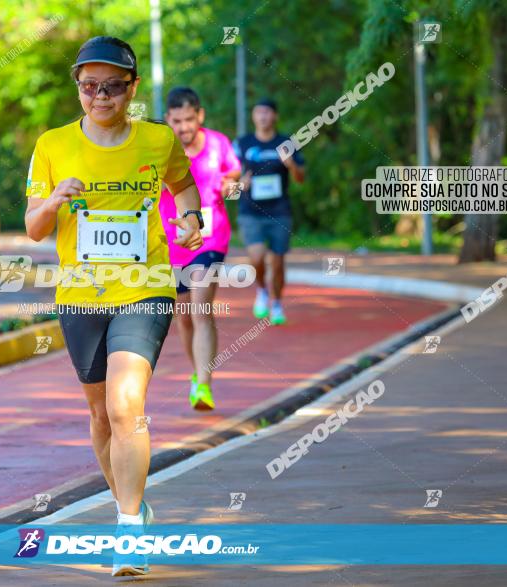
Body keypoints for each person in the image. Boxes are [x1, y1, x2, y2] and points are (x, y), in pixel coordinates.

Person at [24, 36, 203, 576]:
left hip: (144, 288)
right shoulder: (52, 144)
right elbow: (34, 230)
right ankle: (136, 506)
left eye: (112, 87)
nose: (100, 97)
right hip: (80, 295)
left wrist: (193, 222)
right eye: (89, 87)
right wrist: (55, 201)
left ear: (132, 88)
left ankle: (128, 532)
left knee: (127, 406)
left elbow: (185, 188)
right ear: (78, 88)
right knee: (101, 416)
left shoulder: (156, 140)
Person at [158, 87, 241, 411]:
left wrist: (232, 185)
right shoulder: (161, 148)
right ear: (168, 119)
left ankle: (204, 385)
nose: (183, 127)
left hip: (210, 237)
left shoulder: (218, 143)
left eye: (189, 119)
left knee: (200, 307)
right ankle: (197, 374)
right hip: (172, 241)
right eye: (176, 121)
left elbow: (233, 174)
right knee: (185, 318)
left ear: (200, 116)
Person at [233, 98, 305, 325]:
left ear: (275, 116)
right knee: (256, 258)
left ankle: (277, 302)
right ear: (253, 116)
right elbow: (229, 180)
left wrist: (291, 165)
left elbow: (301, 178)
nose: (263, 116)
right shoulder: (242, 143)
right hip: (250, 211)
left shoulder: (287, 142)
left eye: (267, 112)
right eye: (258, 112)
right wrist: (239, 185)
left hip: (280, 210)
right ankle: (262, 290)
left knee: (278, 261)